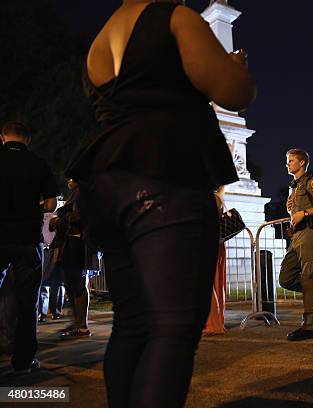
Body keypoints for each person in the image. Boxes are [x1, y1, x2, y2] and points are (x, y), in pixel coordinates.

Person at [66, 0, 255, 406]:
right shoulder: (174, 17)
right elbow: (234, 92)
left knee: (131, 325)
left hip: (107, 181)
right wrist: (237, 68)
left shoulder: (102, 38)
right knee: (172, 328)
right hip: (164, 170)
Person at [0, 121, 59, 374]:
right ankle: (23, 361)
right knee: (28, 302)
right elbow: (51, 205)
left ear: (2, 137)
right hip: (27, 239)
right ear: (28, 140)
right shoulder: (39, 164)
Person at [279, 148, 313, 341]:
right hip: (297, 236)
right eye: (287, 161)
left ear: (302, 162)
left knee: (310, 278)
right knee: (286, 277)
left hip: (311, 234)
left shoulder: (312, 182)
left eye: (291, 160)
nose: (287, 164)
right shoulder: (294, 187)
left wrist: (305, 213)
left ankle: (310, 326)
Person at [49, 179, 92, 338]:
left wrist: (60, 220)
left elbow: (79, 216)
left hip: (77, 244)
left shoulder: (84, 194)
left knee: (77, 284)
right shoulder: (75, 195)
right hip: (69, 244)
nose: (69, 181)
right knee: (70, 283)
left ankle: (82, 326)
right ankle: (77, 323)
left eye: (72, 178)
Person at [203, 189, 227, 335]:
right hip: (214, 242)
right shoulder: (217, 197)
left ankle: (212, 323)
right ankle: (214, 321)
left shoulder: (212, 198)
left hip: (208, 241)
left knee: (208, 284)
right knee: (214, 284)